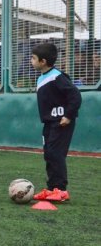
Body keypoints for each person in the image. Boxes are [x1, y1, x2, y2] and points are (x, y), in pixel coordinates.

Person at [29, 43, 82, 202]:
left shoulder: (57, 76)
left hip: (62, 122)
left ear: (43, 61)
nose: (31, 61)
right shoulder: (41, 77)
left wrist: (68, 115)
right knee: (49, 154)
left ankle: (61, 190)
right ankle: (52, 188)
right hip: (49, 123)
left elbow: (75, 96)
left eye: (33, 58)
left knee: (56, 154)